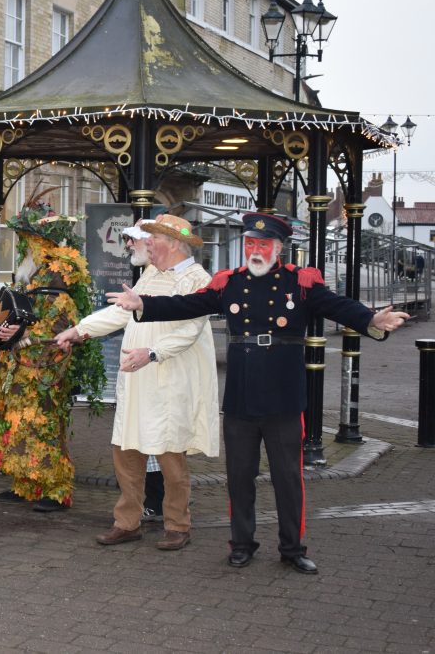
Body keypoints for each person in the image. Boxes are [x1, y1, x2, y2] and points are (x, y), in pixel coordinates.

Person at [107, 212, 410, 574]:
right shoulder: (229, 283)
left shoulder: (300, 282)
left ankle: (292, 548)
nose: (255, 250)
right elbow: (188, 305)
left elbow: (337, 306)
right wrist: (144, 305)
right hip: (242, 396)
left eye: (263, 244)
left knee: (288, 479)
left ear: (278, 248)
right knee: (239, 477)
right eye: (250, 243)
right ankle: (242, 544)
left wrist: (371, 320)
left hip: (283, 396)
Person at [57, 214, 219, 548]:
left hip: (170, 381)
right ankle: (127, 522)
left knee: (170, 455)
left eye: (152, 238)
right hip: (137, 381)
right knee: (126, 450)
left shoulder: (197, 279)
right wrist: (79, 330)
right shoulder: (150, 274)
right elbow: (121, 313)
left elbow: (189, 330)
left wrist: (153, 352)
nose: (145, 243)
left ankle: (178, 525)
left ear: (172, 243)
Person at [0, 196, 103, 512]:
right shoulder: (27, 287)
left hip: (43, 379)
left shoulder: (59, 296)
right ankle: (26, 484)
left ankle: (56, 490)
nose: (25, 248)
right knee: (20, 428)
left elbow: (59, 337)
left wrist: (22, 336)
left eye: (29, 241)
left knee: (45, 429)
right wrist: (4, 335)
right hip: (18, 375)